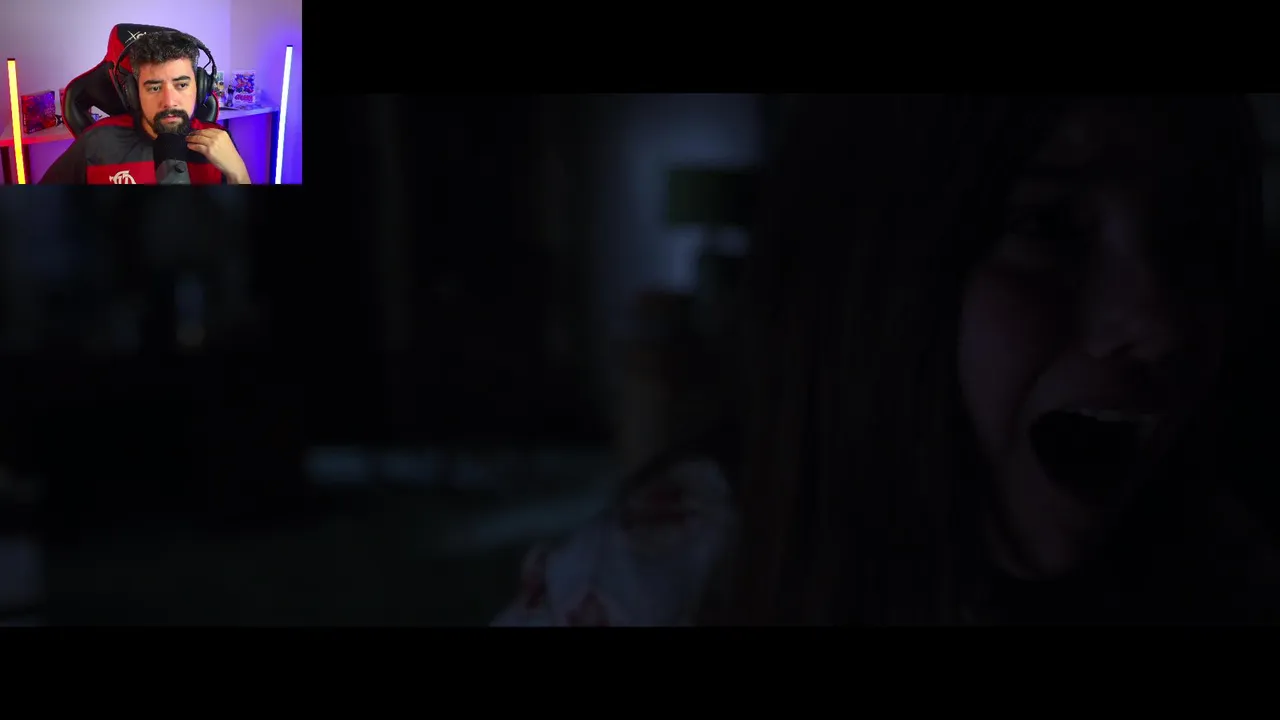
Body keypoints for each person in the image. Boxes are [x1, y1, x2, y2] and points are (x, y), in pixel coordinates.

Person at [492, 95, 1280, 626]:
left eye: (1191, 235)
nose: (1162, 323)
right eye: (1048, 226)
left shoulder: (1225, 561)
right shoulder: (647, 589)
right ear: (870, 280)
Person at [39, 30, 250, 185]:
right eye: (154, 88)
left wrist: (239, 174)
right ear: (134, 93)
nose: (169, 101)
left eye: (181, 85)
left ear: (201, 87)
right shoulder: (97, 142)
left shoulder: (219, 142)